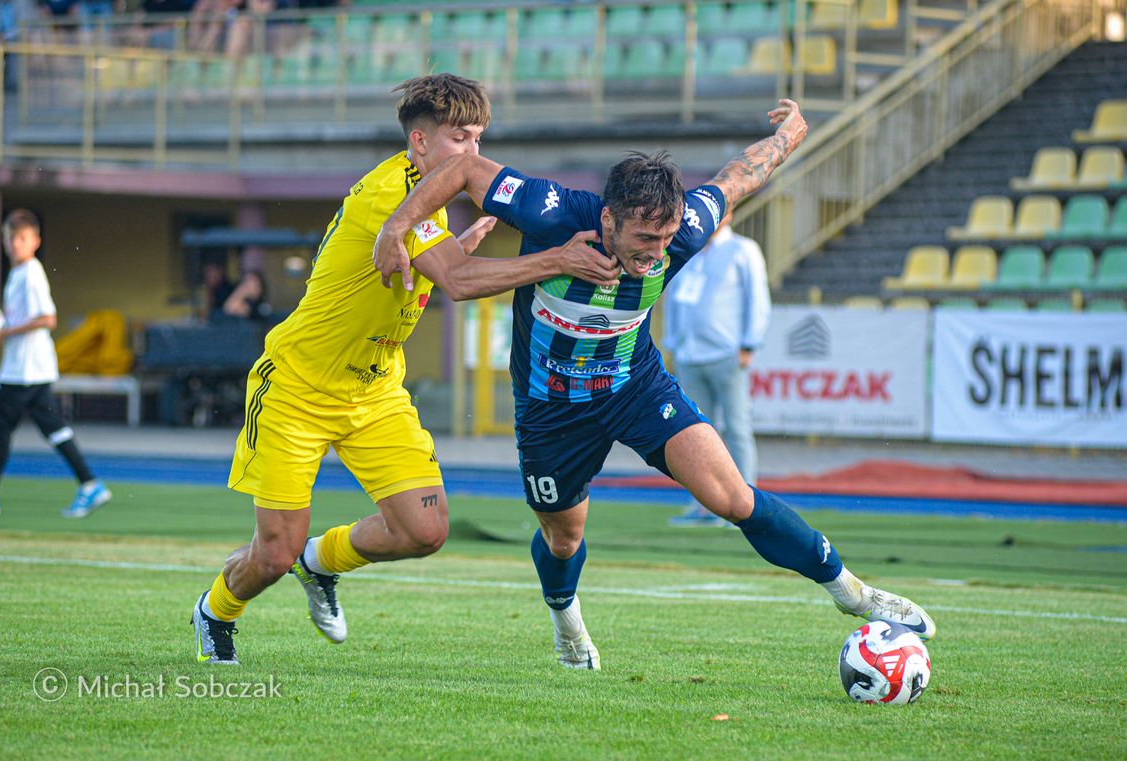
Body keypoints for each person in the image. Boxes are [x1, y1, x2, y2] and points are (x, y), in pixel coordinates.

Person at [375, 99, 936, 670]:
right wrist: (398, 227)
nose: (656, 254)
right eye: (644, 238)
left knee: (733, 497)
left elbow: (738, 178)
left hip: (634, 386)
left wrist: (790, 135)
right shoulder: (552, 213)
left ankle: (855, 594)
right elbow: (466, 170)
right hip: (550, 407)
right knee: (564, 539)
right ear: (609, 221)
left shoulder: (683, 229)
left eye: (665, 239)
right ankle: (567, 620)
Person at [190, 73, 621, 664]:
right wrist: (557, 260)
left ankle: (321, 562)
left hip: (374, 389)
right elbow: (460, 284)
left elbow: (427, 273)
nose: (473, 155)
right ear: (419, 142)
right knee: (272, 555)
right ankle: (216, 611)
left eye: (479, 139)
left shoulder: (429, 202)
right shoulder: (393, 194)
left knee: (425, 531)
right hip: (298, 386)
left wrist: (455, 249)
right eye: (460, 139)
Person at [0, 209, 112, 519]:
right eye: (11, 238)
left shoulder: (31, 273)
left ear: (35, 241)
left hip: (25, 371)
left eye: (22, 238)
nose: (16, 244)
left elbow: (47, 318)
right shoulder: (18, 274)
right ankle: (90, 484)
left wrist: (2, 332)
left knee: (1, 427)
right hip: (31, 369)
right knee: (53, 428)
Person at [663, 215, 770, 526]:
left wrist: (750, 344)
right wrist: (672, 343)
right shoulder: (688, 250)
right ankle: (705, 505)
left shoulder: (742, 250)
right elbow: (673, 299)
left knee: (737, 429)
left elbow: (757, 299)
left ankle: (749, 509)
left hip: (727, 354)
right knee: (694, 434)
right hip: (689, 354)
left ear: (730, 215)